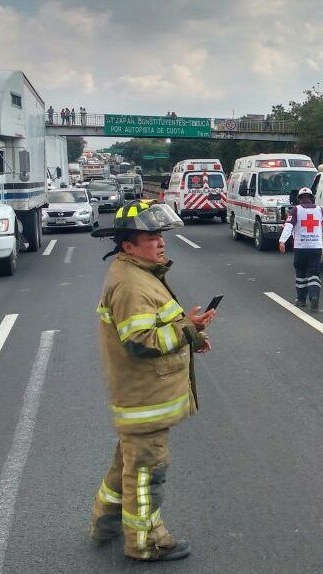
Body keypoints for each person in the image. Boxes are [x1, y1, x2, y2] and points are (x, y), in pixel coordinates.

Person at [88, 200, 215, 562]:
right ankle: (146, 543)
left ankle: (106, 522)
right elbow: (141, 341)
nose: (161, 243)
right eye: (152, 236)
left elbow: (155, 327)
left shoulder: (139, 274)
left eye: (161, 235)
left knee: (126, 466)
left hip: (142, 398)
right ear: (128, 245)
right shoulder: (130, 283)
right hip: (146, 400)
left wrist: (192, 332)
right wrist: (190, 329)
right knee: (147, 476)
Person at [279, 187, 323, 311]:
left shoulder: (296, 210)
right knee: (314, 274)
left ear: (299, 199)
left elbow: (288, 226)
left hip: (300, 248)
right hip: (316, 248)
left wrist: (282, 241)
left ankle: (301, 300)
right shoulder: (320, 210)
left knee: (301, 273)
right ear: (311, 198)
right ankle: (314, 297)